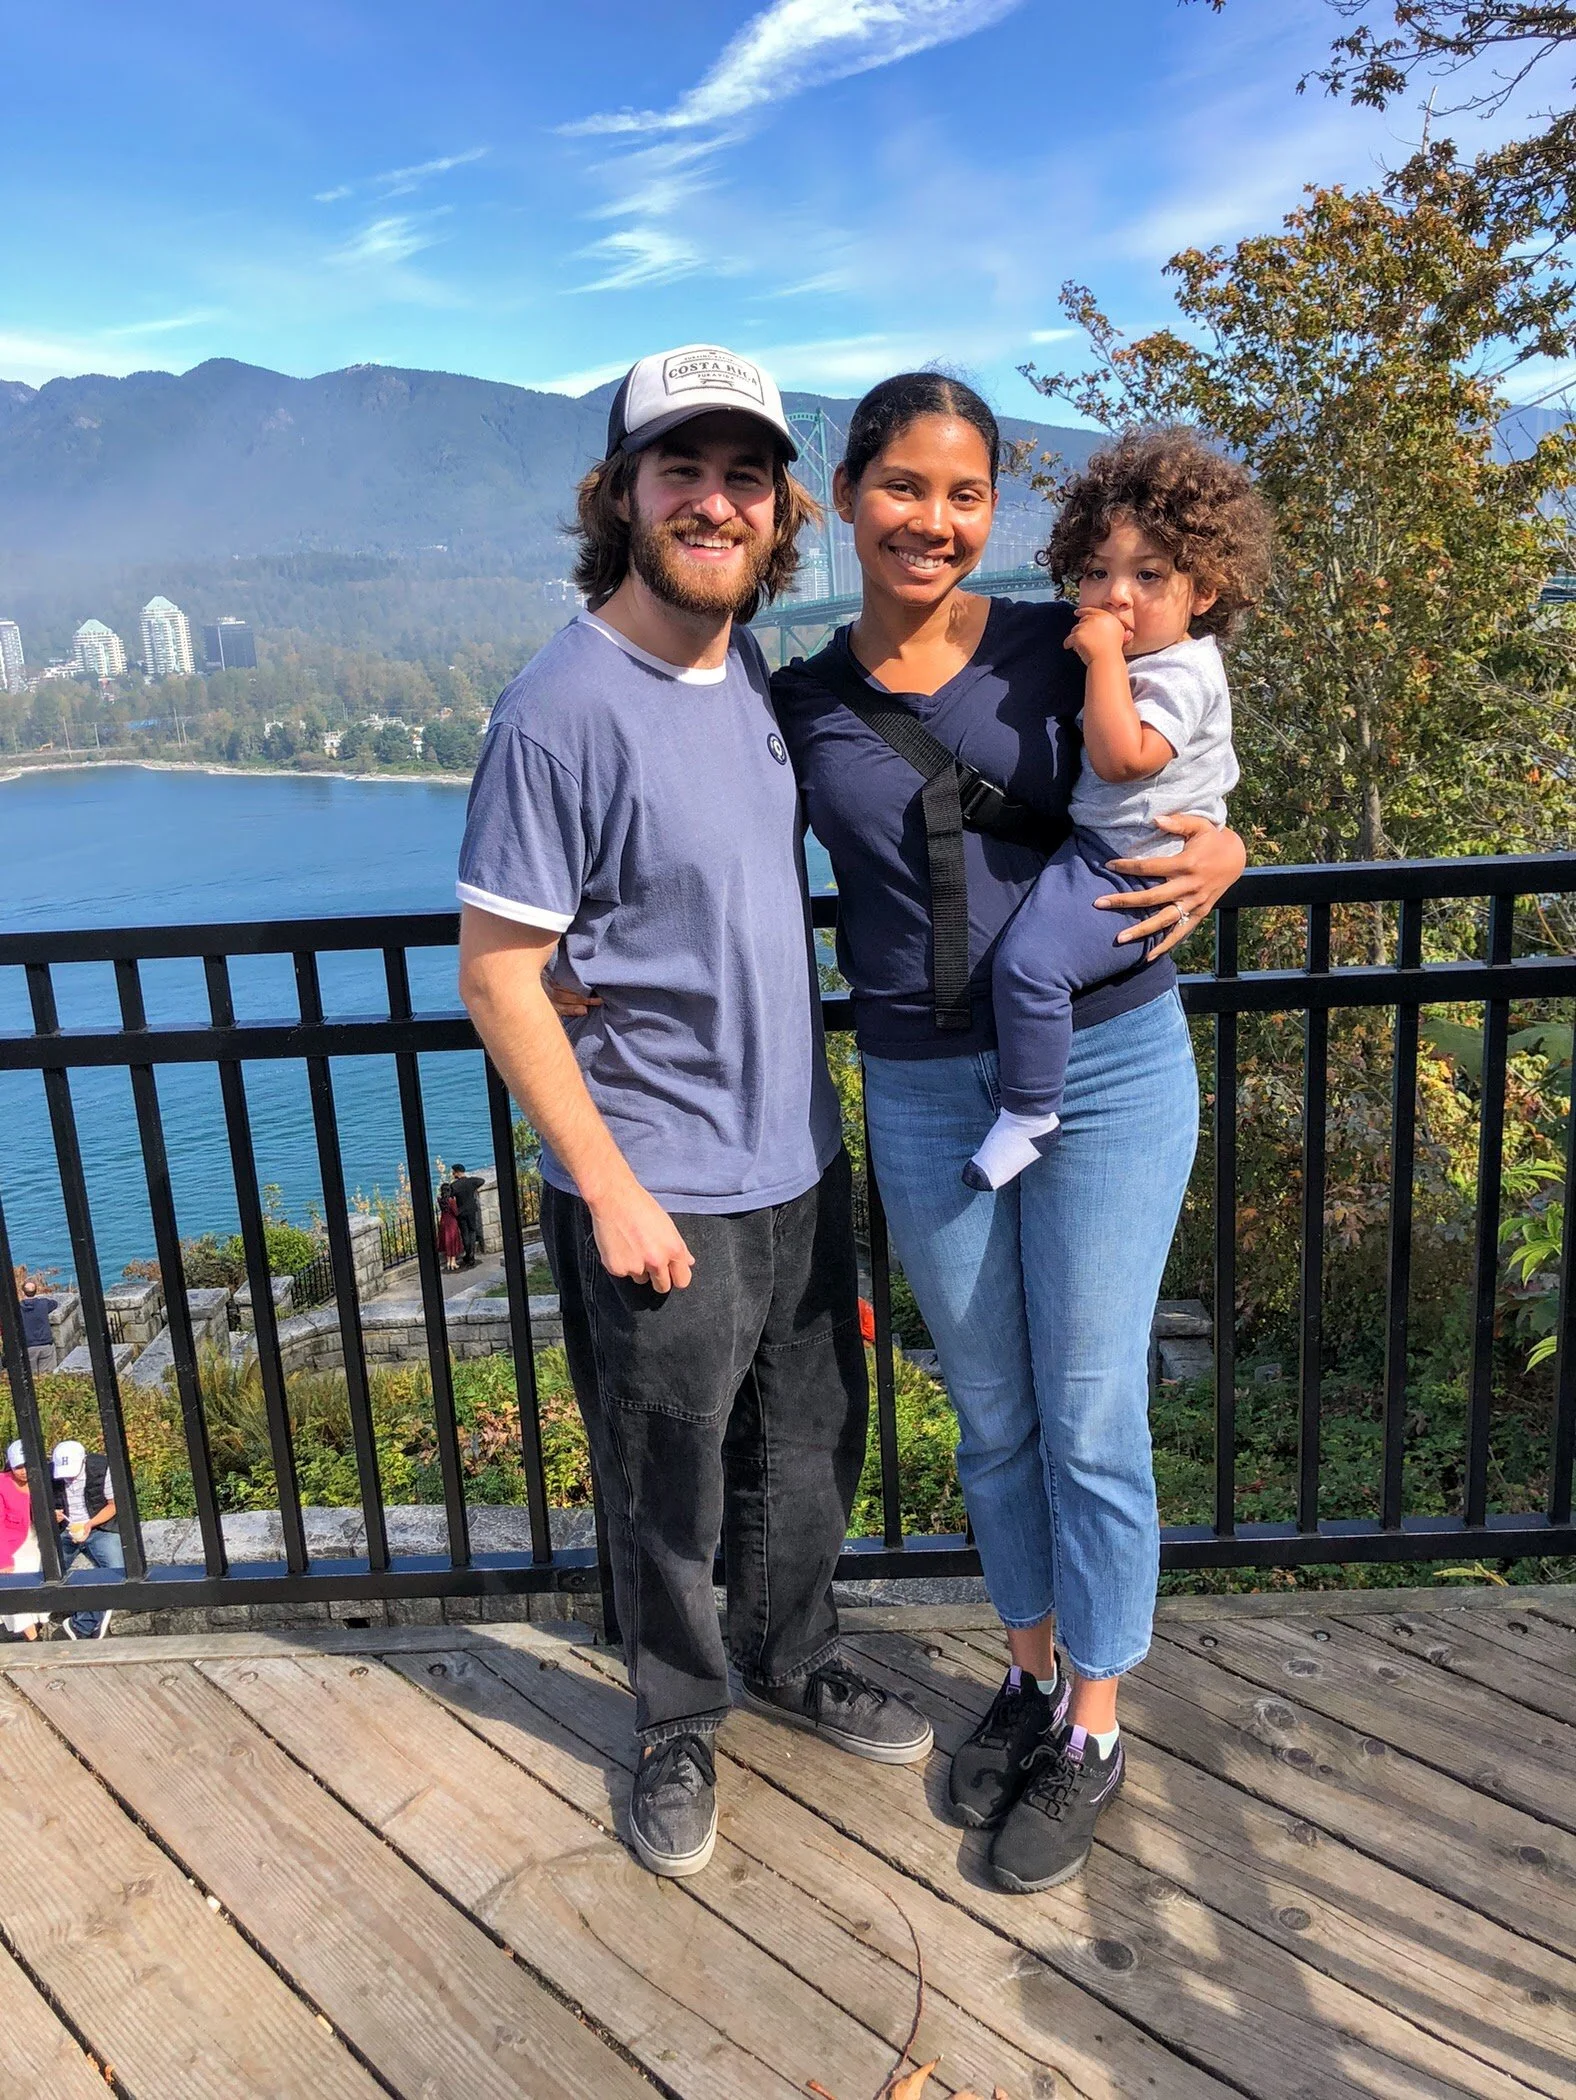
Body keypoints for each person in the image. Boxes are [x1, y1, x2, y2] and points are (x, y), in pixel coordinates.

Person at [457, 343, 931, 1881]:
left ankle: (792, 1652)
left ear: (782, 509)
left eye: (744, 475)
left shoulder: (759, 688)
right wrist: (610, 1187)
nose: (715, 502)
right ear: (622, 496)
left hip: (795, 1157)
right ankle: (675, 1717)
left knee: (807, 1444)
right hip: (657, 1182)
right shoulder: (558, 710)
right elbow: (501, 974)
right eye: (683, 470)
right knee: (668, 1466)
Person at [773, 374, 1246, 1893]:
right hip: (921, 1084)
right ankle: (1034, 1672)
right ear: (845, 496)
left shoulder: (1067, 637)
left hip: (1108, 1064)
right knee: (993, 1410)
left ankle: (1095, 1726)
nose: (935, 519)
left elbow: (1179, 751)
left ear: (994, 514)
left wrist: (1231, 846)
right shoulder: (796, 701)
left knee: (1093, 1406)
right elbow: (690, 842)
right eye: (904, 486)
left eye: (966, 494)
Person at [965, 430, 1269, 1191]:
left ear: (1203, 593)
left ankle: (1030, 1111)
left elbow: (1124, 758)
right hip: (1102, 845)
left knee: (1031, 966)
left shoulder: (1179, 670)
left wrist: (1100, 659)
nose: (1117, 594)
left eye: (1150, 574)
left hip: (1129, 861)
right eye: (1098, 571)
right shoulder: (1143, 658)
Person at [50, 1438, 121, 1640]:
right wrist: (52, 1514)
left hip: (100, 1526)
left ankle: (82, 1624)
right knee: (48, 1570)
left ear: (84, 1460)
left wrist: (89, 1524)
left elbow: (114, 1505)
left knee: (117, 1570)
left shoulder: (102, 1467)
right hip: (66, 1528)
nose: (69, 1479)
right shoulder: (49, 1473)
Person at [1, 1441, 46, 1640]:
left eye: (27, 1465)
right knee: (17, 1586)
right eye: (18, 1466)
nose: (24, 1471)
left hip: (36, 1539)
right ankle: (33, 1639)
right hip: (11, 1544)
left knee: (38, 1583)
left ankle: (38, 1629)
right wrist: (4, 1559)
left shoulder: (43, 1479)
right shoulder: (2, 1484)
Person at [17, 1279, 58, 1373]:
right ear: (36, 1291)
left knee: (31, 1375)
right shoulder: (43, 1303)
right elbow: (54, 1304)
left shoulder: (18, 1308)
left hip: (28, 1346)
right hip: (45, 1343)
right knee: (47, 1375)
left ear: (23, 1292)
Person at [448, 1164, 484, 1268]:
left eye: (453, 1172)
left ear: (457, 1172)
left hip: (461, 1211)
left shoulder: (455, 1185)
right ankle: (471, 1254)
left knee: (465, 1233)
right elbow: (482, 1181)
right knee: (472, 1231)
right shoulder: (472, 1181)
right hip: (471, 1210)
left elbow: (449, 1196)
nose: (453, 1174)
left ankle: (468, 1255)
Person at [436, 1178, 464, 1270]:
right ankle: (453, 1262)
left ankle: (448, 1262)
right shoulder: (451, 1200)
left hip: (443, 1221)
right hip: (452, 1222)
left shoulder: (440, 1200)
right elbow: (455, 1212)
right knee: (453, 1240)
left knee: (447, 1241)